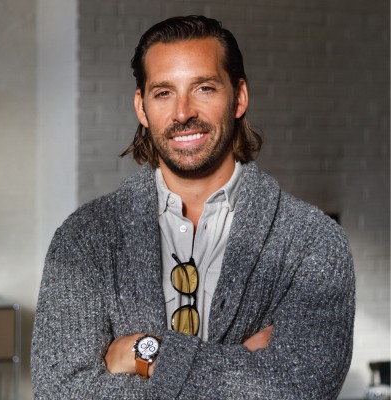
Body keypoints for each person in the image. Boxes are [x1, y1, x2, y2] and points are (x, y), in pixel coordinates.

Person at [31, 15, 355, 399]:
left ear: (239, 97)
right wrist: (243, 366)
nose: (183, 112)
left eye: (203, 88)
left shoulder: (313, 242)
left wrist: (148, 353)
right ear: (141, 107)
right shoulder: (84, 239)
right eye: (163, 93)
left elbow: (300, 390)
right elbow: (60, 391)